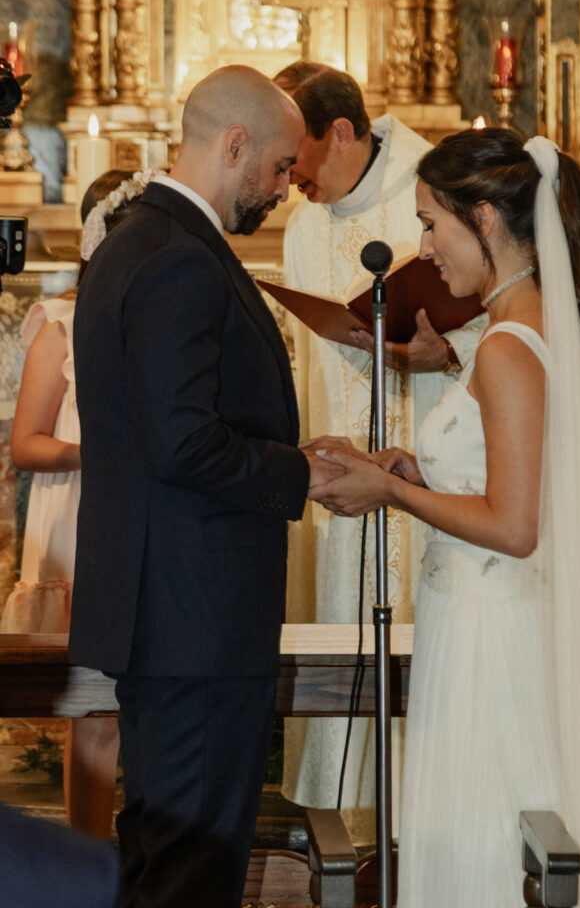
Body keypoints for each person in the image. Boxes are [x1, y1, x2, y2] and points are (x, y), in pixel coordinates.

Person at [309, 128, 580, 906]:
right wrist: (412, 467)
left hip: (490, 638)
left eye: (430, 224)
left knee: (483, 839)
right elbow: (512, 479)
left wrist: (392, 494)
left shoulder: (510, 346)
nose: (423, 248)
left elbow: (515, 527)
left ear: (483, 219)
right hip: (494, 621)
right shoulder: (536, 325)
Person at [68, 65, 338, 908]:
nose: (284, 188)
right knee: (190, 874)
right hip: (197, 621)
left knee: (161, 861)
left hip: (167, 614)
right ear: (233, 145)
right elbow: (183, 443)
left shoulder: (133, 241)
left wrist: (289, 448)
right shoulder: (179, 259)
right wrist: (302, 472)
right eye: (281, 167)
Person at [274, 61, 486, 840]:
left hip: (433, 467)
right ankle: (347, 823)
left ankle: (425, 822)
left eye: (295, 154)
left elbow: (512, 321)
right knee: (341, 616)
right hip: (345, 476)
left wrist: (449, 355)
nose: (288, 176)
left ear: (338, 132)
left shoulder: (435, 188)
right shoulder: (301, 224)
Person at [0, 168, 150, 840]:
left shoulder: (165, 317)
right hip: (77, 520)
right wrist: (96, 454)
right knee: (92, 706)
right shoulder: (60, 321)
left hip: (150, 517)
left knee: (145, 702)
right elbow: (27, 444)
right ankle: (89, 858)